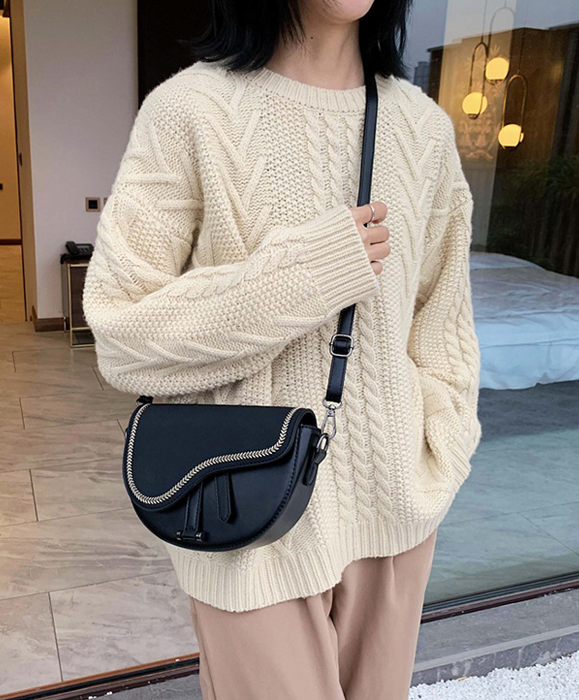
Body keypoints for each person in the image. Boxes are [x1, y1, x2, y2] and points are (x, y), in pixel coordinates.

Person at [83, 0, 482, 697]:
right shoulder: (189, 111)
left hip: (395, 516)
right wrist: (306, 275)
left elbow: (444, 325)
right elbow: (122, 335)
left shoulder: (422, 129)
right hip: (247, 519)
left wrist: (443, 452)